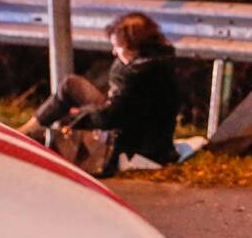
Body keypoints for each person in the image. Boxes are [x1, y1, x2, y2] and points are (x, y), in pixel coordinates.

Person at [19, 12, 181, 165]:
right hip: (137, 130)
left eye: (118, 47)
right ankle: (27, 130)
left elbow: (111, 117)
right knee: (72, 85)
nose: (114, 52)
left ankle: (27, 136)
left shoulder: (137, 73)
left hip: (135, 144)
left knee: (55, 142)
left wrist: (77, 117)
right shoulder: (158, 60)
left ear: (134, 47)